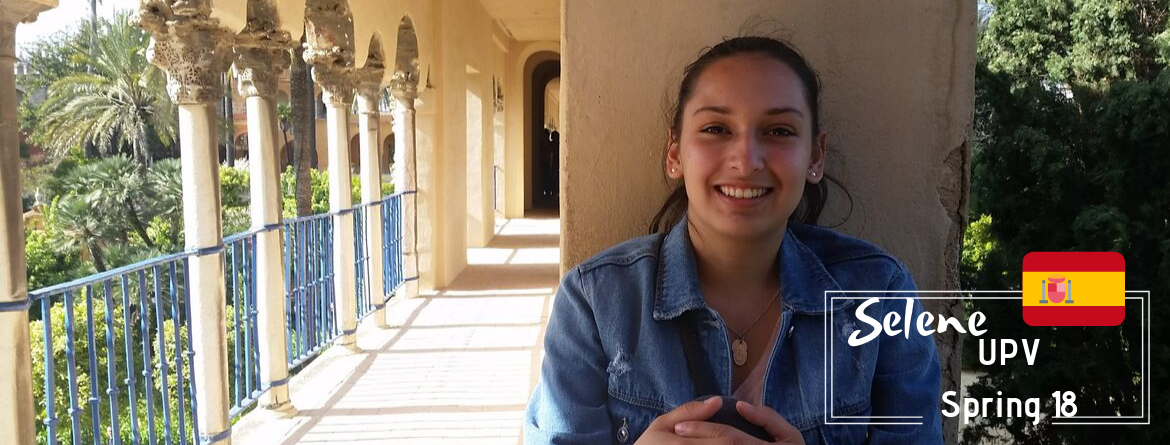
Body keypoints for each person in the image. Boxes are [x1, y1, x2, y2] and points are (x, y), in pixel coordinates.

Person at [524, 36, 942, 445]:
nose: (746, 159)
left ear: (815, 156)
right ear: (675, 153)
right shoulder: (595, 302)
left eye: (778, 131)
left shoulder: (880, 294)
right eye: (716, 128)